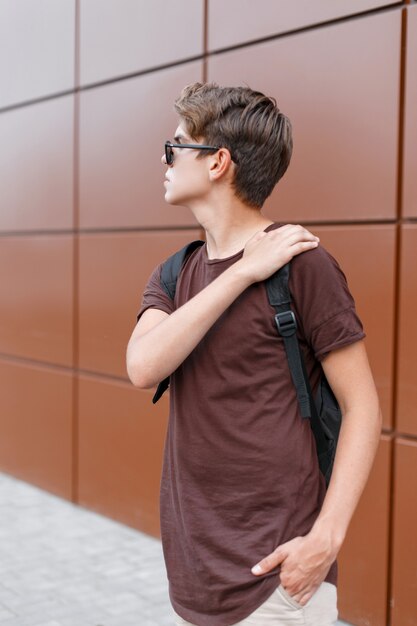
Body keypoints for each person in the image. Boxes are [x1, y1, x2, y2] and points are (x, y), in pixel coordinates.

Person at [126, 82, 381, 626]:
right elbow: (143, 366)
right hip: (193, 576)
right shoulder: (174, 274)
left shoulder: (303, 265)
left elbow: (363, 408)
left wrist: (325, 540)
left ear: (217, 162)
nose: (164, 160)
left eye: (175, 146)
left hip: (279, 583)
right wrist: (241, 272)